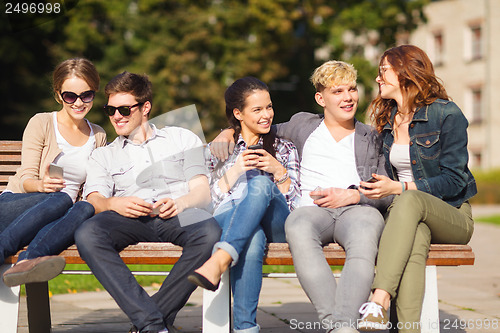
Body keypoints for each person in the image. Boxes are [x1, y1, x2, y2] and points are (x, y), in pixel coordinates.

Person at [211, 61, 393, 333]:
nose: (348, 97)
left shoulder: (372, 136)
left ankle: (340, 326)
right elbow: (258, 124)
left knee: (365, 237)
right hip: (310, 212)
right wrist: (229, 130)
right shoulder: (301, 125)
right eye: (338, 91)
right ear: (320, 98)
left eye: (352, 89)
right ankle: (340, 326)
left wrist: (354, 196)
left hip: (357, 210)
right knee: (297, 225)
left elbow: (385, 192)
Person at [74, 71, 221, 333]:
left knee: (209, 232)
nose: (116, 116)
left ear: (145, 107)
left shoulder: (182, 138)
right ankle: (154, 324)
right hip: (126, 218)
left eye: (124, 109)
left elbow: (202, 191)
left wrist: (182, 203)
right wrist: (113, 205)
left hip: (175, 214)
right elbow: (94, 198)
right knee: (87, 233)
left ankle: (149, 322)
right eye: (110, 110)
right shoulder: (103, 155)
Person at [356, 45, 476, 332]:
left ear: (405, 72)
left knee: (409, 199)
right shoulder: (387, 120)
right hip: (410, 218)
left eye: (383, 71)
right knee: (415, 242)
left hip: (452, 214)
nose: (377, 78)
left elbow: (455, 181)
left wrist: (400, 187)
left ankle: (379, 298)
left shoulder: (446, 114)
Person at [187, 77, 300, 333]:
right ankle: (245, 328)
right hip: (228, 218)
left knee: (260, 185)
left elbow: (296, 207)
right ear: (238, 113)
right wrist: (235, 171)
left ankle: (220, 258)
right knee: (252, 236)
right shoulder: (217, 150)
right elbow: (205, 205)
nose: (267, 115)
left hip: (277, 222)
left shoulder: (283, 147)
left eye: (269, 107)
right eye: (257, 109)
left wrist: (279, 172)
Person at [0, 58, 107, 287]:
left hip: (59, 217)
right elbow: (26, 178)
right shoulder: (42, 123)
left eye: (86, 95)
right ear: (59, 95)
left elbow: (94, 187)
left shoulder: (98, 135)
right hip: (17, 205)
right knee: (60, 199)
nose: (78, 102)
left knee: (85, 207)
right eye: (70, 96)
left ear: (94, 93)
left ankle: (26, 264)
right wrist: (41, 185)